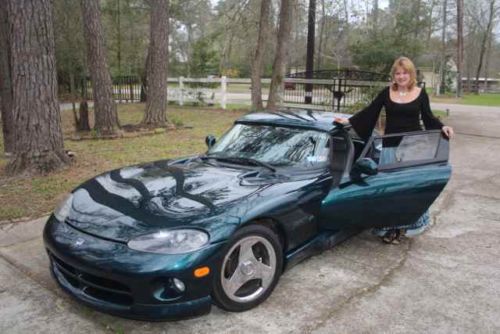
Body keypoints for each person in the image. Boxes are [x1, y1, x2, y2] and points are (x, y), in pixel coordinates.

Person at [335, 56, 454, 244]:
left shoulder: (420, 93)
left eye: (405, 72)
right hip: (390, 145)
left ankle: (405, 226)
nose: (401, 76)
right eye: (398, 73)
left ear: (411, 74)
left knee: (409, 187)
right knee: (390, 188)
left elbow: (428, 117)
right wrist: (349, 121)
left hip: (413, 148)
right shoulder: (387, 92)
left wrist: (442, 128)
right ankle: (391, 228)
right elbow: (370, 111)